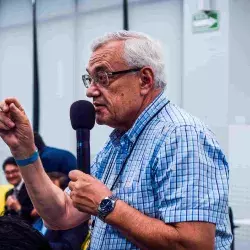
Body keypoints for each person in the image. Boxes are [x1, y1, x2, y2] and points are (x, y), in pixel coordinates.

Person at [0, 30, 232, 249]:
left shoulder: (181, 136)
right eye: (89, 79)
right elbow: (61, 214)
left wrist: (106, 205)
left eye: (103, 77)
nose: (90, 91)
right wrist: (24, 150)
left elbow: (194, 244)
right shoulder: (117, 144)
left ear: (145, 80)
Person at [33, 172, 89, 250]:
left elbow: (68, 247)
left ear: (64, 195)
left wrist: (33, 245)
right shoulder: (38, 216)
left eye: (50, 192)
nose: (44, 195)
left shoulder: (75, 219)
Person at [2, 156, 35, 224]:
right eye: (7, 173)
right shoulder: (9, 193)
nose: (11, 175)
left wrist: (18, 208)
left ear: (21, 170)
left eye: (14, 171)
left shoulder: (31, 189)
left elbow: (34, 216)